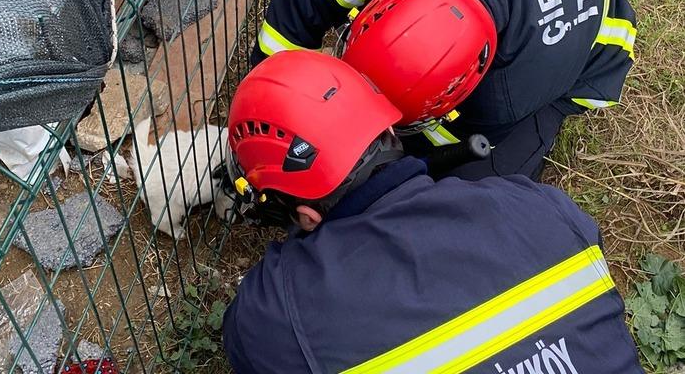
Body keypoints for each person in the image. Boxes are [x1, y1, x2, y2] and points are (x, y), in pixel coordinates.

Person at [221, 51, 642, 373]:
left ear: (308, 216)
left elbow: (245, 345)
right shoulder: (541, 207)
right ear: (388, 128)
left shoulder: (277, 312)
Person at [251, 0, 636, 181]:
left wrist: (370, 163)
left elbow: (438, 147)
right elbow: (299, 4)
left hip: (596, 43)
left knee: (476, 180)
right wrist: (268, 95)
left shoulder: (506, 92)